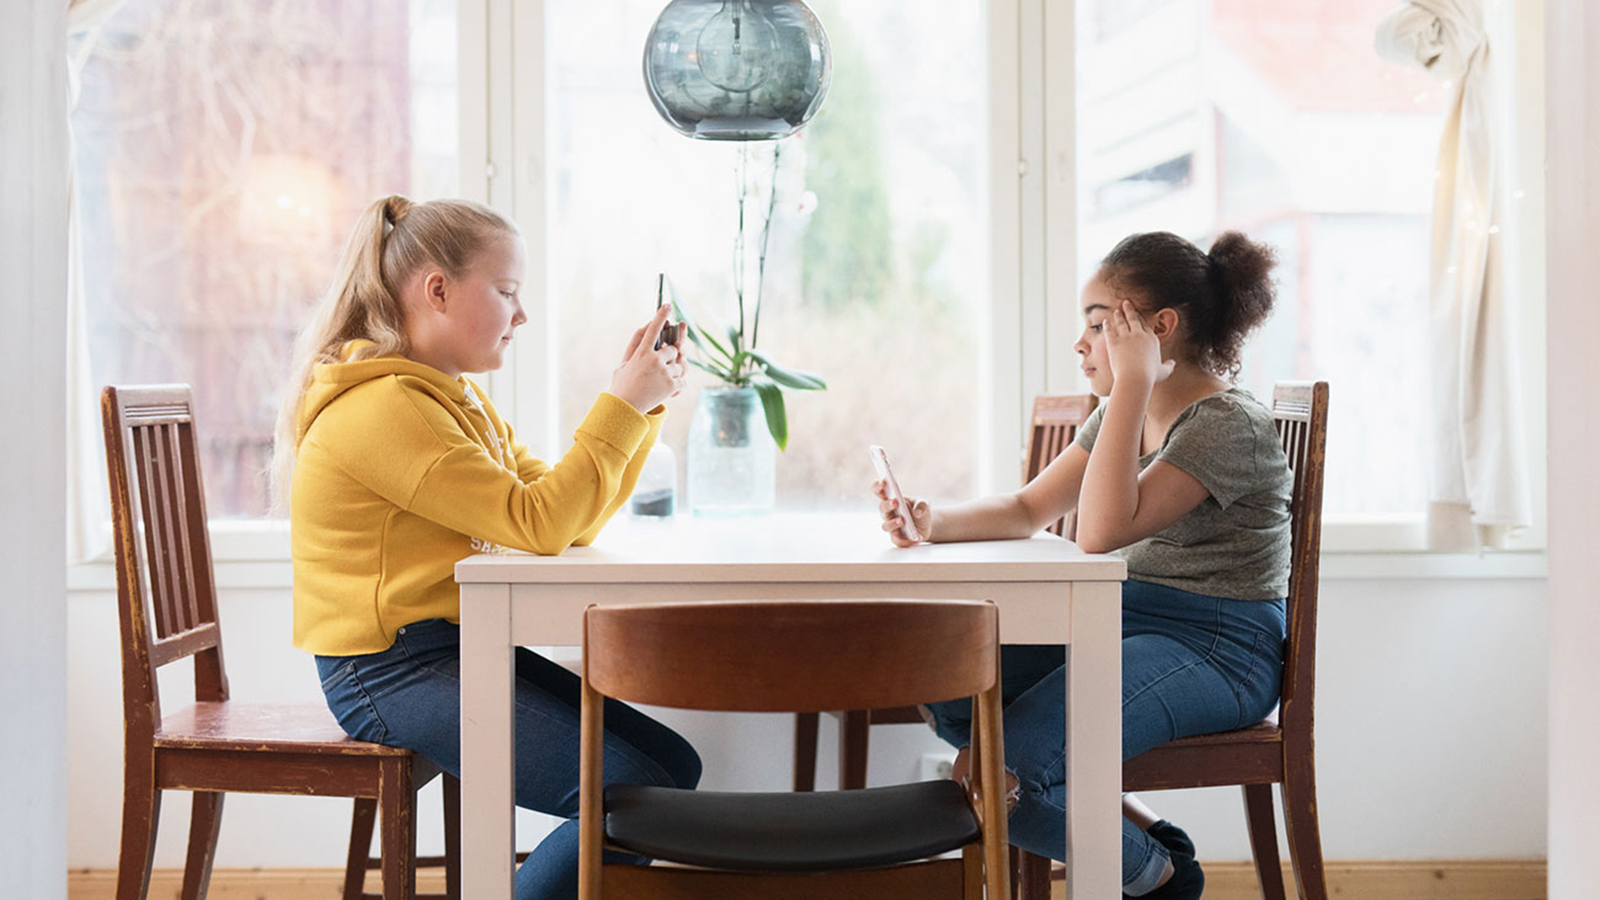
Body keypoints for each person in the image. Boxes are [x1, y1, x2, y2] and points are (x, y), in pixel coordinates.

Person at [273, 194, 701, 900]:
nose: (522, 315)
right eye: (507, 293)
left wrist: (642, 405)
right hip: (387, 670)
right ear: (436, 290)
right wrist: (621, 405)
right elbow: (541, 522)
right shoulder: (384, 410)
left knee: (671, 769)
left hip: (448, 647)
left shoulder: (451, 399)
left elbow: (568, 521)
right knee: (631, 787)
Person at [874, 231, 1290, 900]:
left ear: (1160, 329)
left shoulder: (1225, 425)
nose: (1081, 343)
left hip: (1219, 647)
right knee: (944, 667)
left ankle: (1157, 878)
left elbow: (1098, 533)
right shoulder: (1127, 412)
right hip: (1126, 623)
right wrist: (932, 522)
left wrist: (1128, 384)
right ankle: (1148, 848)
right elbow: (1025, 507)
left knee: (995, 775)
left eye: (1100, 324)